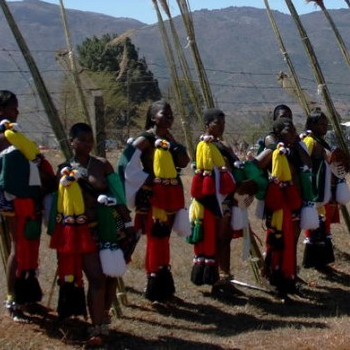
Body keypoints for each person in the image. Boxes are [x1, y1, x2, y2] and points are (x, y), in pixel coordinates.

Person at [51, 123, 131, 345]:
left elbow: (119, 195)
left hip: (107, 227)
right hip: (81, 232)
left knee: (110, 275)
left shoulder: (103, 165)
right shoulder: (63, 171)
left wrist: (128, 222)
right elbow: (58, 207)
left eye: (90, 139)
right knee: (96, 277)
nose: (87, 143)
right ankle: (95, 329)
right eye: (82, 139)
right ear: (71, 142)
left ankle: (103, 317)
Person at [0, 90, 56, 320]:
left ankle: (28, 296)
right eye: (13, 108)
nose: (17, 112)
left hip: (28, 195)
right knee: (19, 245)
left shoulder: (8, 133)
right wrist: (43, 170)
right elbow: (24, 165)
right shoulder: (0, 137)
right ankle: (13, 299)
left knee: (30, 243)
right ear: (1, 110)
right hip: (15, 196)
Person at [117, 100, 189, 302]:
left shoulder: (169, 139)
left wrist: (173, 143)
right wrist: (145, 178)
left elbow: (184, 162)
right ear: (152, 117)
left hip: (170, 196)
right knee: (154, 238)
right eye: (164, 113)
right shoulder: (146, 139)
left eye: (171, 114)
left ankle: (163, 285)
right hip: (153, 197)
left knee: (163, 239)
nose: (169, 117)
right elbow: (125, 162)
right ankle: (154, 285)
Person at [252, 117, 314, 296]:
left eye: (294, 129)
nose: (294, 132)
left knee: (292, 241)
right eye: (289, 130)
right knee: (278, 241)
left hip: (294, 200)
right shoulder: (273, 150)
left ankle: (289, 277)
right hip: (279, 203)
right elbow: (255, 165)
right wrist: (266, 183)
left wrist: (296, 144)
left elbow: (308, 164)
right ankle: (275, 278)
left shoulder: (294, 149)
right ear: (278, 133)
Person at [188, 109, 240, 290]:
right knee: (214, 235)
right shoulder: (203, 145)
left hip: (226, 196)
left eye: (224, 123)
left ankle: (224, 273)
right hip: (210, 197)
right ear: (207, 125)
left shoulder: (223, 145)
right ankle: (213, 276)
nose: (222, 127)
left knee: (225, 237)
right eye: (218, 123)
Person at [300, 109, 350, 271]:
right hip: (315, 190)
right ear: (312, 125)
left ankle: (322, 261)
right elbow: (306, 165)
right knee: (316, 225)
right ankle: (315, 262)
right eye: (322, 124)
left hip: (324, 190)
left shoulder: (320, 141)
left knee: (322, 225)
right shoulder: (309, 141)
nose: (325, 127)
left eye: (326, 124)